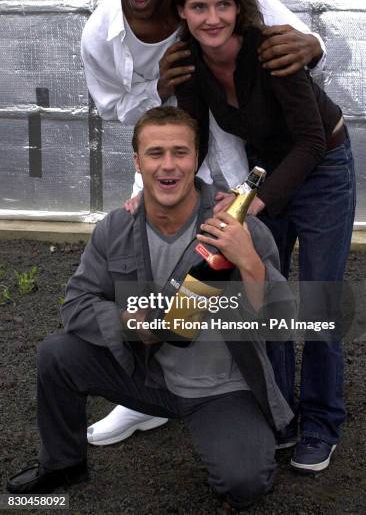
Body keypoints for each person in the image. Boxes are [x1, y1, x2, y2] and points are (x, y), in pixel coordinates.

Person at [82, 0, 326, 445]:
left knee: (254, 282)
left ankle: (255, 398)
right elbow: (120, 111)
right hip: (179, 158)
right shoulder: (100, 35)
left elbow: (295, 36)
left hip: (247, 164)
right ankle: (143, 396)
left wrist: (315, 46)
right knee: (153, 266)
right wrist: (155, 94)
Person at [7, 108, 295, 511]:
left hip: (221, 390)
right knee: (57, 353)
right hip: (148, 375)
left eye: (180, 152)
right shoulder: (117, 227)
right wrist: (127, 323)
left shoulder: (237, 227)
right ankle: (64, 464)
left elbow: (283, 323)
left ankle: (235, 445)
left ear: (197, 160)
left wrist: (249, 262)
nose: (168, 164)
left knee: (245, 484)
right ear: (137, 162)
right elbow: (76, 304)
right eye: (155, 153)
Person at [170, 0, 356, 473]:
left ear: (240, 7)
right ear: (182, 11)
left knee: (319, 299)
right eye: (199, 7)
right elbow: (195, 138)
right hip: (265, 175)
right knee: (264, 290)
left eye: (223, 6)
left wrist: (255, 203)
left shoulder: (271, 50)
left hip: (321, 170)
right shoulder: (189, 65)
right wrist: (168, 192)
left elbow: (312, 143)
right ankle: (283, 413)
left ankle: (322, 420)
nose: (212, 19)